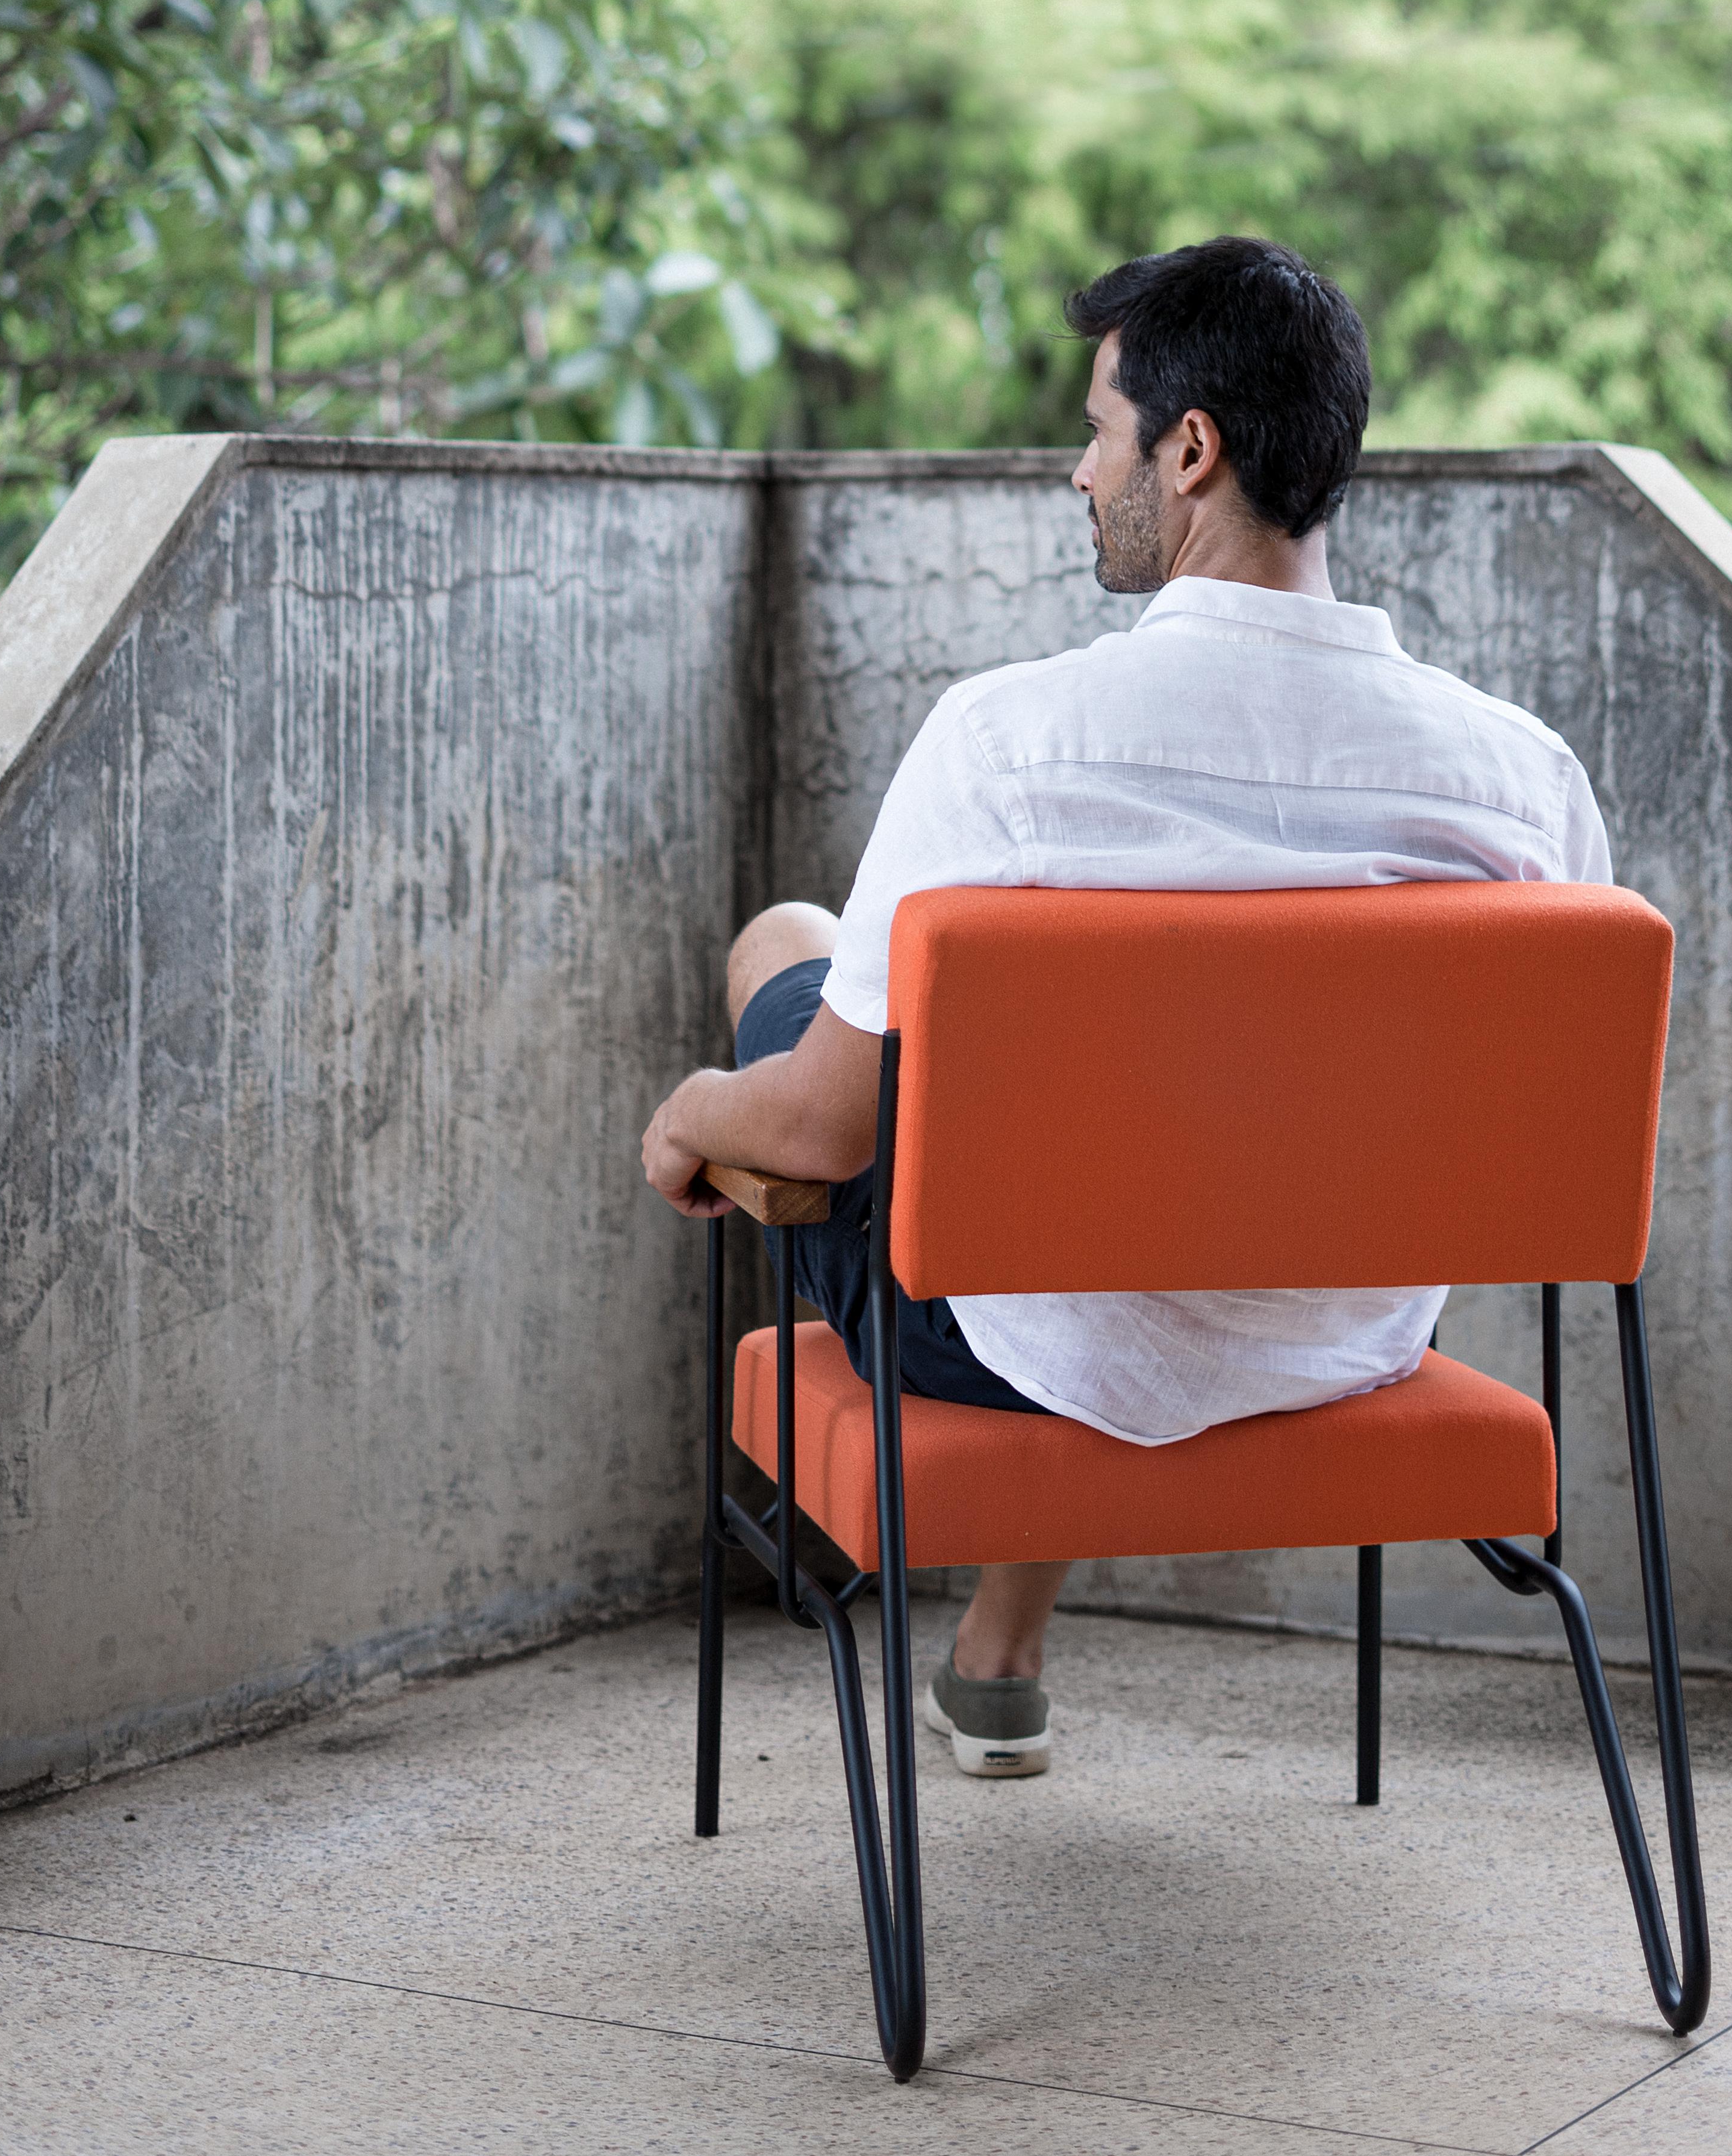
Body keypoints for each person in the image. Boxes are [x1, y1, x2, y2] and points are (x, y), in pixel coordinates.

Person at [640, 236, 1612, 1779]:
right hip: (1345, 1338)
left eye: (1096, 434)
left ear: (1189, 448)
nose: (1079, 477)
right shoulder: (1519, 779)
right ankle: (1000, 1649)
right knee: (1125, 1180)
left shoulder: (1014, 743)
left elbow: (820, 1130)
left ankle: (987, 1637)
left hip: (1028, 1342)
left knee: (792, 948)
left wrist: (690, 1114)